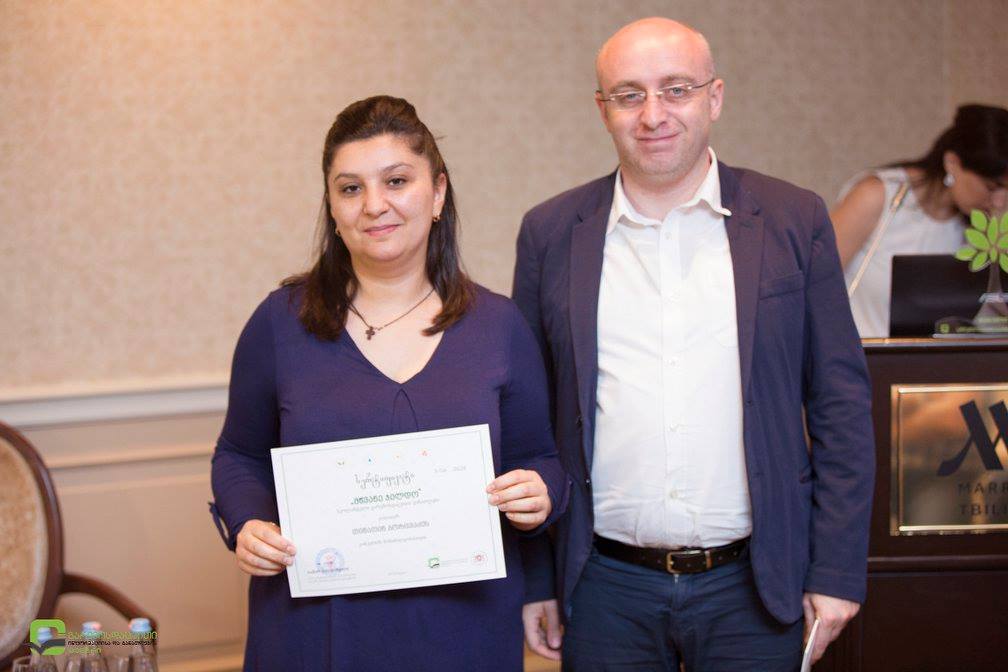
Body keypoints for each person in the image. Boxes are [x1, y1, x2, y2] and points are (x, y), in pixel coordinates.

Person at [513, 18, 874, 671]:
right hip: (602, 588)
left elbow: (841, 405)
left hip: (756, 584)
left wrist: (837, 569)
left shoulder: (793, 219)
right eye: (629, 95)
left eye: (676, 89)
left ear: (714, 98)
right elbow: (529, 423)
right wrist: (535, 579)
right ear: (602, 109)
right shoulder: (551, 233)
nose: (653, 114)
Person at [209, 95, 569, 672]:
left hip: (464, 628)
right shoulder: (279, 323)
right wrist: (249, 523)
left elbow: (539, 458)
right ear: (332, 207)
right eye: (350, 188)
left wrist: (539, 494)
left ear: (438, 192)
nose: (374, 205)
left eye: (396, 181)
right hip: (314, 630)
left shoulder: (500, 326)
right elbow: (238, 455)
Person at [831, 104, 1008, 337]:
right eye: (992, 187)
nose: (1000, 202)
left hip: (930, 358)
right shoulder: (878, 195)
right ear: (952, 163)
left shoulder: (977, 227)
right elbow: (816, 283)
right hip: (861, 353)